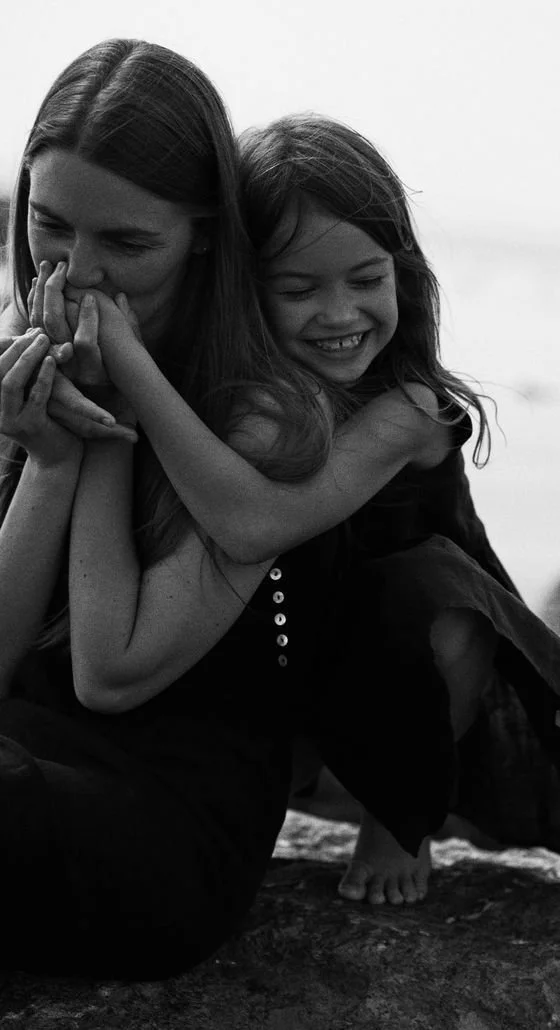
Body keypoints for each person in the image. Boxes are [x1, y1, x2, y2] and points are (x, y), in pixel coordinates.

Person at [59, 111, 560, 908]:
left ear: (402, 274)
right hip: (303, 651)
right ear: (243, 289)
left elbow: (251, 523)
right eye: (298, 289)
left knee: (435, 604)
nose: (341, 314)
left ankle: (399, 823)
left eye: (366, 279)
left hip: (421, 670)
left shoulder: (410, 410)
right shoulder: (249, 394)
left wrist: (130, 368)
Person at [0, 40, 338, 978]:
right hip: (26, 760)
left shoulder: (263, 414)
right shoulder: (25, 351)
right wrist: (50, 459)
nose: (78, 271)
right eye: (50, 226)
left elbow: (110, 678)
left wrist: (114, 420)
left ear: (203, 235)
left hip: (162, 832)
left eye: (126, 244)